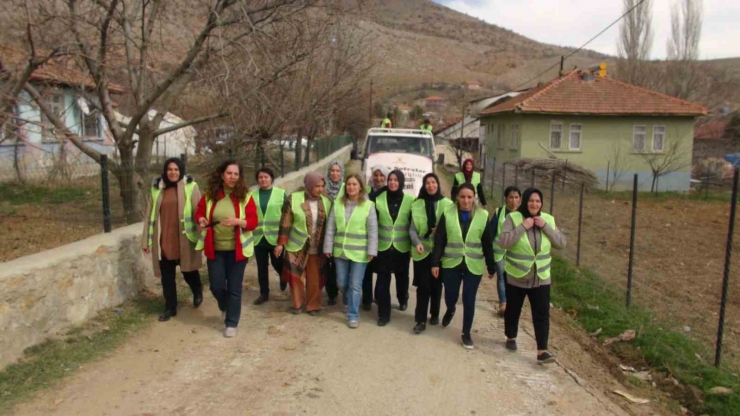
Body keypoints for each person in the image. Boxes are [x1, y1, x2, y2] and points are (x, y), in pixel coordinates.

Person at [496, 188, 566, 364]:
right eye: (531, 201)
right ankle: (511, 337)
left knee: (541, 313)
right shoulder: (512, 218)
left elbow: (561, 243)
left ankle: (542, 350)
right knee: (513, 310)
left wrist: (545, 226)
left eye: (538, 201)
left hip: (541, 277)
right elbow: (503, 242)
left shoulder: (548, 219)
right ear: (524, 202)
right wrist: (523, 227)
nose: (534, 204)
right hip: (517, 276)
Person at [195, 160, 258, 338]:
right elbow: (199, 212)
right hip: (215, 249)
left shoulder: (245, 196)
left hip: (238, 251)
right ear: (222, 175)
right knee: (215, 285)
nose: (232, 177)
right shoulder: (210, 195)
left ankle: (231, 322)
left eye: (236, 174)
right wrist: (201, 220)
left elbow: (253, 222)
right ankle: (224, 305)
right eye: (229, 173)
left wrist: (239, 222)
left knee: (234, 288)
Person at [431, 183, 495, 349]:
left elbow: (487, 242)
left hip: (473, 265)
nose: (466, 201)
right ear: (457, 198)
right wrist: (435, 262)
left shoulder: (482, 215)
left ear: (474, 198)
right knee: (451, 294)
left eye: (469, 197)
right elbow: (439, 240)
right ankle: (451, 309)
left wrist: (491, 265)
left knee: (469, 298)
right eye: (462, 197)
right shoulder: (448, 213)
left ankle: (466, 333)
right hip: (451, 263)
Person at [142, 158, 203, 322]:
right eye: (170, 169)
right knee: (167, 276)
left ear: (181, 170)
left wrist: (202, 237)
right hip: (165, 239)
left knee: (188, 271)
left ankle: (197, 291)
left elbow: (199, 211)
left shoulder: (191, 186)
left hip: (185, 237)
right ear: (165, 171)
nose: (173, 172)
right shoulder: (157, 189)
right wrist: (146, 241)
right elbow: (150, 216)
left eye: (176, 169)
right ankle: (170, 307)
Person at [324, 174, 378, 328]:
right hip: (340, 250)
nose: (351, 187)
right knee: (341, 282)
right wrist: (328, 246)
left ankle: (353, 315)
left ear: (360, 187)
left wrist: (372, 250)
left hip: (360, 253)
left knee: (355, 284)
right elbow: (331, 227)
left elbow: (372, 230)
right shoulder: (338, 204)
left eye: (355, 184)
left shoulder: (368, 205)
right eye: (349, 184)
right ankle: (348, 298)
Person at [275, 172, 332, 315]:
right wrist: (281, 243)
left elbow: (330, 225)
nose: (320, 189)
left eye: (322, 186)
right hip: (297, 246)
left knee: (315, 278)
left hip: (317, 247)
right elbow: (285, 222)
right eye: (317, 186)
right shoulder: (294, 198)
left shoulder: (326, 200)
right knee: (296, 277)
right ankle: (297, 304)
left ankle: (313, 305)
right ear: (309, 186)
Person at [410, 173, 452, 334]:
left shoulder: (447, 204)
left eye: (433, 182)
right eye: (427, 183)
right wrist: (417, 243)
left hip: (440, 253)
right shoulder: (417, 204)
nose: (431, 185)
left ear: (438, 184)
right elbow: (412, 229)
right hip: (422, 252)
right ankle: (420, 320)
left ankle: (434, 313)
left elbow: (453, 229)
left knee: (436, 285)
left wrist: (441, 232)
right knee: (423, 286)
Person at [372, 170, 413, 326]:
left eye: (396, 180)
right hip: (383, 248)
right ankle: (384, 314)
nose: (393, 182)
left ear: (401, 182)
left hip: (401, 249)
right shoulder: (378, 199)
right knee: (383, 281)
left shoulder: (410, 200)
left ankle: (403, 298)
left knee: (401, 279)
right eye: (390, 180)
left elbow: (413, 225)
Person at [251, 168, 288, 305]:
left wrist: (282, 240)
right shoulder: (252, 195)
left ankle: (283, 276)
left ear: (271, 178)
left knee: (277, 263)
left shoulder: (281, 194)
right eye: (260, 177)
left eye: (266, 177)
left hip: (275, 238)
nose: (263, 180)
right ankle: (264, 293)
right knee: (261, 267)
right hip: (259, 237)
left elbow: (286, 217)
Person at [489, 186, 521, 317]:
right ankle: (503, 303)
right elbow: (491, 233)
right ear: (506, 199)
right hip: (499, 252)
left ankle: (512, 302)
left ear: (520, 199)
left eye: (516, 197)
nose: (513, 200)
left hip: (516, 253)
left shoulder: (523, 214)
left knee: (513, 278)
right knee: (502, 277)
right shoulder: (499, 212)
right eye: (511, 197)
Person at [362, 164, 390, 311]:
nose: (378, 178)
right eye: (376, 175)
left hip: (382, 238)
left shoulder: (389, 192)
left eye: (382, 175)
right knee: (366, 270)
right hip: (365, 236)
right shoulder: (365, 191)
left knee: (381, 270)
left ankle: (379, 296)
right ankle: (366, 299)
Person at [324, 160, 344, 305]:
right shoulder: (322, 188)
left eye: (338, 171)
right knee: (328, 265)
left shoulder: (346, 188)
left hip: (342, 233)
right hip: (325, 231)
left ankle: (342, 289)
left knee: (340, 265)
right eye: (332, 170)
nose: (335, 173)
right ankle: (331, 293)